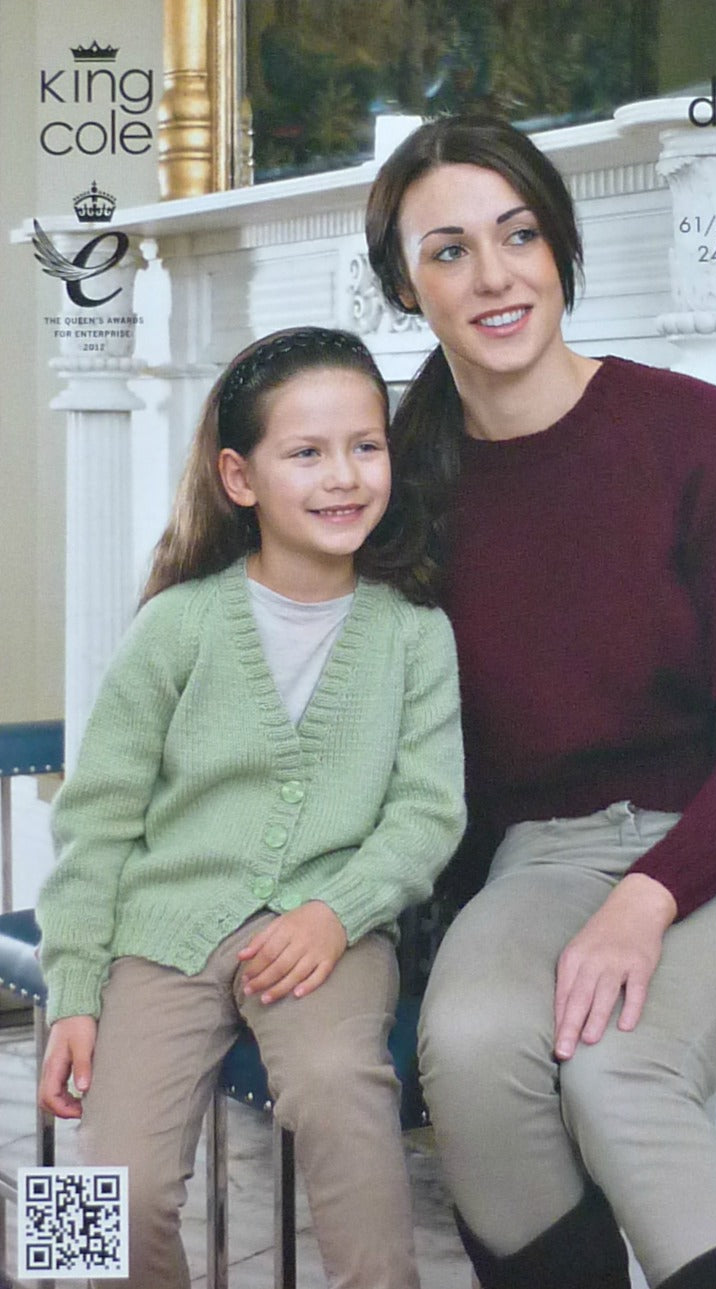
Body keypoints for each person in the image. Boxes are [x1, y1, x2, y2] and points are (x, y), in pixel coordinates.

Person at [365, 115, 716, 1289]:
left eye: (517, 234)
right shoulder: (395, 479)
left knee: (614, 1062)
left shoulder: (691, 429)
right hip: (537, 859)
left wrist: (646, 895)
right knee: (470, 1050)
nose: (494, 275)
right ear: (403, 286)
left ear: (559, 244)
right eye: (448, 250)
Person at [36, 326, 466, 1289]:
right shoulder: (174, 623)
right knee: (107, 1187)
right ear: (239, 477)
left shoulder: (416, 633)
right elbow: (95, 821)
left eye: (365, 445)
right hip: (161, 930)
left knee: (339, 1090)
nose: (343, 475)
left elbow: (427, 814)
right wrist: (75, 991)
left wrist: (337, 912)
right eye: (306, 452)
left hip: (328, 930)